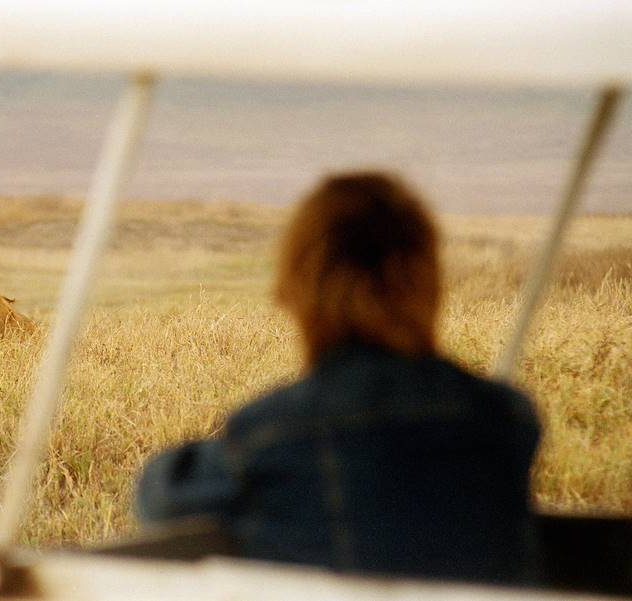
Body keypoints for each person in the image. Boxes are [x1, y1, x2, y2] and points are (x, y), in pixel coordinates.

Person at [135, 172, 541, 584]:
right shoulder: (508, 418)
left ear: (295, 291)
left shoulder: (272, 433)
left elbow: (161, 493)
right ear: (428, 285)